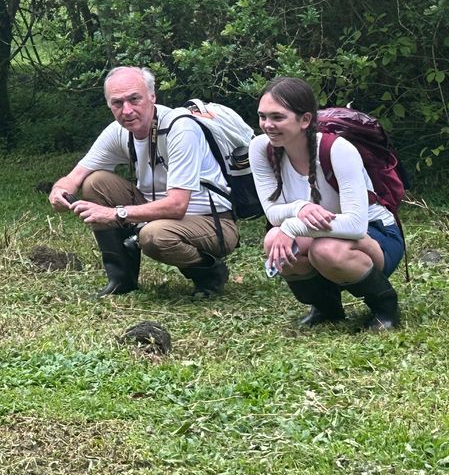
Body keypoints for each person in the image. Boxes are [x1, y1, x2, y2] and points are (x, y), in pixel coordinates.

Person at [48, 66, 240, 299]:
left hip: (212, 222)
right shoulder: (119, 131)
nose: (127, 110)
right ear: (109, 105)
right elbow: (75, 176)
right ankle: (121, 280)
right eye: (117, 103)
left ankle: (210, 274)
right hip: (156, 213)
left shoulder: (181, 128)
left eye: (134, 99)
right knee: (95, 182)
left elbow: (177, 205)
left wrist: (114, 214)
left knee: (153, 235)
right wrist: (59, 191)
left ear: (152, 96)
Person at [251, 76, 403, 330]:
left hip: (374, 233)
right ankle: (326, 307)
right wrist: (300, 208)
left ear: (305, 120)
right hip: (321, 234)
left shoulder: (338, 150)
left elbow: (356, 225)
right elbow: (272, 212)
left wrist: (293, 226)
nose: (268, 125)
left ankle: (385, 306)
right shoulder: (260, 148)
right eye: (262, 116)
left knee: (325, 249)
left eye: (277, 117)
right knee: (273, 239)